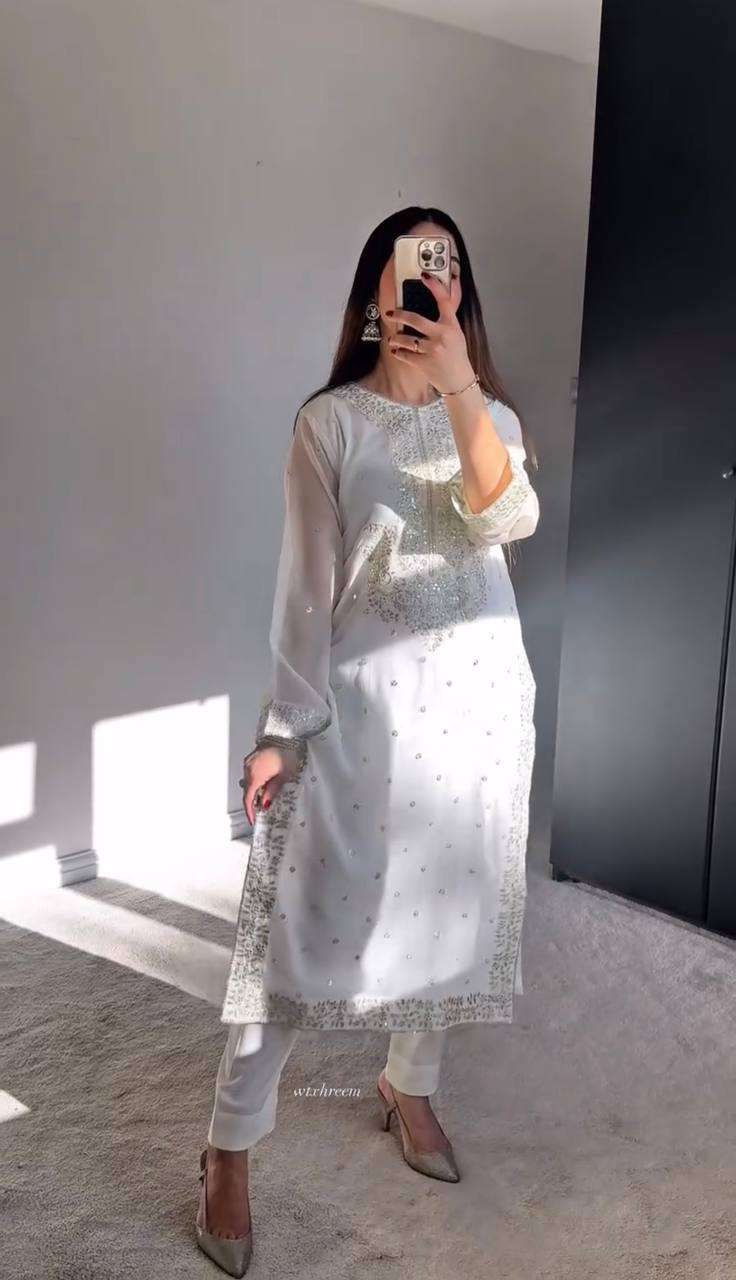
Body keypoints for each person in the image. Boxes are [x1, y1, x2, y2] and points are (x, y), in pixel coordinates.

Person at [196, 206, 540, 1275]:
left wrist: (460, 383)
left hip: (475, 708)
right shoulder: (330, 423)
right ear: (373, 293)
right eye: (412, 265)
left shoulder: (493, 415)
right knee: (297, 934)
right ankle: (228, 1147)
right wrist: (280, 729)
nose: (432, 282)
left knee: (444, 917)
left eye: (449, 266)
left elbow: (506, 519)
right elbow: (305, 591)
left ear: (462, 293)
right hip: (361, 711)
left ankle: (409, 1084)